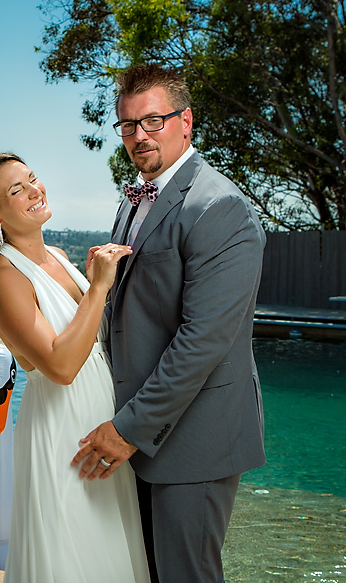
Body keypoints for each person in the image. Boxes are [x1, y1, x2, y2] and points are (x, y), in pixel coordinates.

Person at [70, 64, 267, 582]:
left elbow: (202, 341)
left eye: (153, 121)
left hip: (194, 437)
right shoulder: (137, 194)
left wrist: (127, 428)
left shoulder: (218, 206)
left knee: (186, 575)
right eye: (129, 125)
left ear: (187, 121)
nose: (140, 136)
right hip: (142, 429)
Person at [0, 153, 150, 582]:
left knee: (109, 553)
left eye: (32, 179)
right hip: (63, 432)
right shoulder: (5, 278)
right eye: (16, 190)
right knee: (73, 555)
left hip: (101, 419)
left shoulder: (59, 256)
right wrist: (100, 285)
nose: (34, 191)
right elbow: (61, 366)